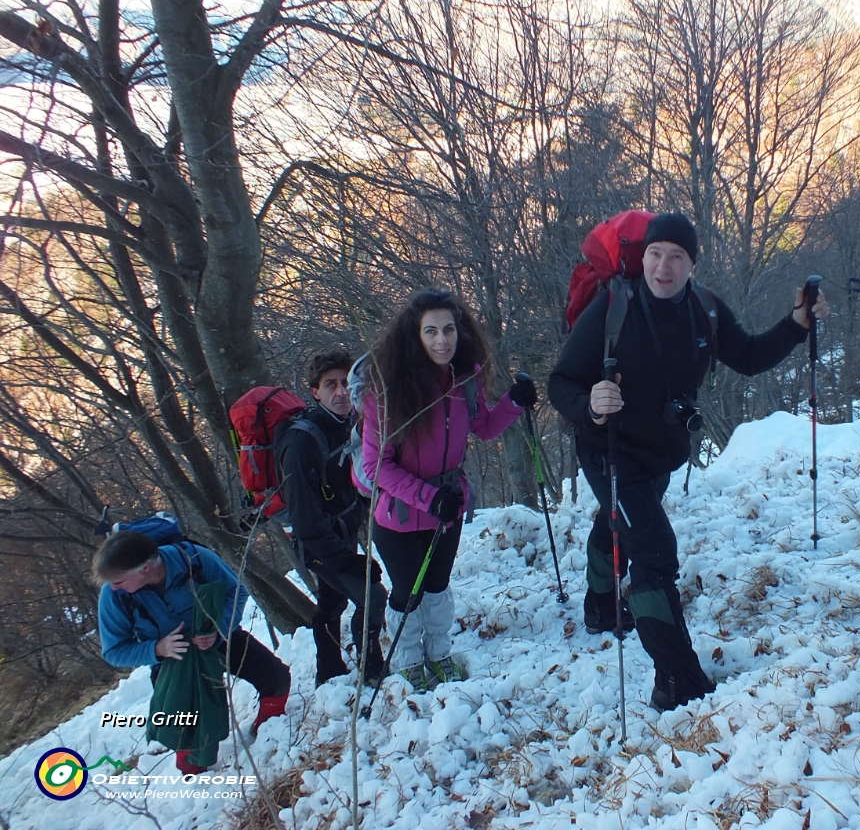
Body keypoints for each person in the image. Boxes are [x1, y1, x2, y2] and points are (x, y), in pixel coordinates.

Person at [548, 213, 830, 711]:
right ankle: (677, 682)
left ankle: (598, 607)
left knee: (620, 523)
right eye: (656, 254)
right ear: (644, 258)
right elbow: (561, 382)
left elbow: (746, 355)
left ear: (692, 265)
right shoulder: (613, 307)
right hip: (610, 452)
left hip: (662, 453)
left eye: (676, 256)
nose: (663, 266)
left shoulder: (704, 308)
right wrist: (589, 404)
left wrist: (795, 325)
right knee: (653, 553)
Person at [360, 289, 535, 690]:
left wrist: (514, 401)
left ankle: (438, 653)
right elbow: (374, 467)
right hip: (401, 516)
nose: (442, 340)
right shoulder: (385, 392)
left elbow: (484, 427)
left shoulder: (464, 380)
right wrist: (428, 497)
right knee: (408, 592)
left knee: (437, 587)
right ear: (414, 336)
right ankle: (408, 662)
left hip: (449, 506)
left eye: (449, 330)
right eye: (431, 331)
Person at [94, 530, 291, 774]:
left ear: (145, 568)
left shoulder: (194, 558)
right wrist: (157, 648)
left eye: (119, 581)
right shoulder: (113, 597)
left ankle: (268, 728)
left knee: (277, 679)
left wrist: (219, 629)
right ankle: (196, 774)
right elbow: (114, 651)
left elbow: (237, 590)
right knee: (183, 729)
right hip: (172, 660)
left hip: (218, 639)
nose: (113, 588)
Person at [277, 350, 388, 687]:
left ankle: (328, 669)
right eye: (330, 385)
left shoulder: (352, 426)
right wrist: (347, 561)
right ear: (315, 392)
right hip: (317, 542)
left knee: (332, 599)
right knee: (372, 597)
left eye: (345, 383)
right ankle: (372, 672)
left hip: (342, 530)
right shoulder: (302, 442)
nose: (341, 392)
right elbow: (307, 520)